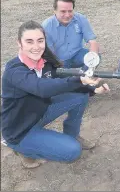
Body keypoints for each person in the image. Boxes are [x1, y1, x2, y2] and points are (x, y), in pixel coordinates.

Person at [1, 21, 110, 169]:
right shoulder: (14, 71)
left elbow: (60, 82)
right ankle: (23, 149)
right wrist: (79, 79)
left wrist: (93, 89)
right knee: (72, 151)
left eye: (40, 41)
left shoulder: (44, 62)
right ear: (19, 43)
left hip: (39, 112)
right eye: (29, 41)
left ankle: (72, 134)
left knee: (80, 96)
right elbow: (42, 88)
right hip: (20, 130)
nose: (36, 46)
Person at [42, 0, 100, 69]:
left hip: (77, 54)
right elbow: (50, 53)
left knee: (96, 57)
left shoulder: (81, 19)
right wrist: (58, 67)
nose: (67, 15)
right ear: (55, 11)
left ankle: (85, 76)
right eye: (63, 11)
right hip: (60, 60)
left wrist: (92, 61)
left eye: (70, 11)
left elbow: (93, 42)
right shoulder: (46, 26)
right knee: (64, 79)